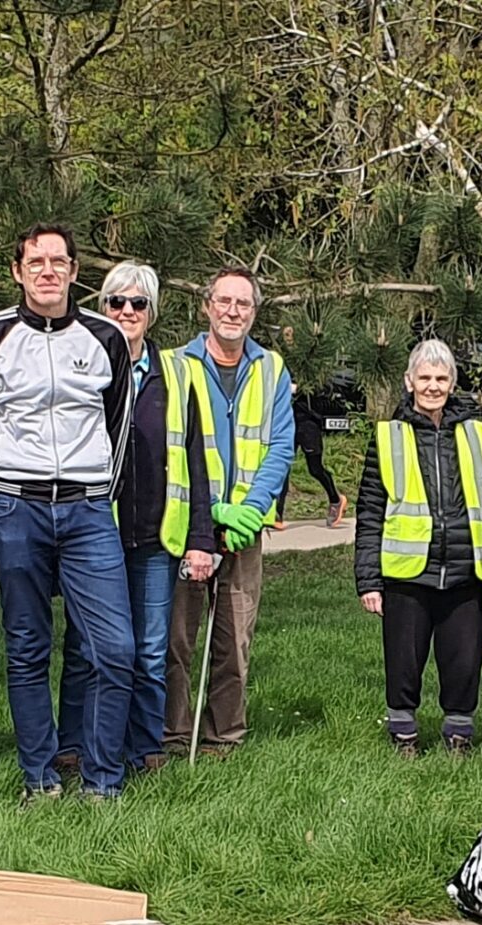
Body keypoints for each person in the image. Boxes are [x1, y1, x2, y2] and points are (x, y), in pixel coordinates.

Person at [0, 224, 135, 802]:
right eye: (36, 262)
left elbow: (120, 425)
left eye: (59, 261)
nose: (48, 271)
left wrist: (98, 486)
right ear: (18, 271)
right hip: (16, 508)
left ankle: (102, 778)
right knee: (27, 644)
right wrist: (0, 490)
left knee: (113, 648)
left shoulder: (105, 337)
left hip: (87, 511)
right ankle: (40, 775)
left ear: (75, 271)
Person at [55, 260, 218, 776]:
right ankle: (73, 744)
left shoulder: (177, 375)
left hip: (154, 535)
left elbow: (195, 458)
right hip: (90, 531)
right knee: (84, 646)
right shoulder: (79, 365)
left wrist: (201, 537)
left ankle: (144, 746)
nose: (126, 311)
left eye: (137, 303)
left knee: (150, 651)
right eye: (116, 302)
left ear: (152, 313)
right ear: (101, 307)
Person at [167, 266, 296, 760]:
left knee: (234, 642)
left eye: (243, 304)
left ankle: (224, 738)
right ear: (206, 306)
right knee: (176, 640)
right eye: (224, 301)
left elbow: (281, 446)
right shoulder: (177, 365)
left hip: (245, 527)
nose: (232, 311)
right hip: (187, 523)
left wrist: (250, 510)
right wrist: (209, 510)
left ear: (254, 312)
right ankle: (173, 736)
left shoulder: (271, 369)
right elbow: (170, 447)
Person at [354, 339, 482, 755]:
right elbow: (370, 509)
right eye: (425, 377)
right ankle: (403, 734)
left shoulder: (478, 433)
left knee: (464, 662)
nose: (433, 386)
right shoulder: (388, 435)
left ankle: (459, 737)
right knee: (404, 661)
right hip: (406, 571)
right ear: (409, 381)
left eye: (441, 377)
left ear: (452, 382)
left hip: (466, 569)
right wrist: (368, 580)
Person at [291, 386, 349, 527]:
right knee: (282, 467)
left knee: (315, 469)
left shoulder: (317, 373)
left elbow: (325, 389)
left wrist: (299, 389)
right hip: (288, 422)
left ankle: (336, 500)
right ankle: (277, 515)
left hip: (308, 424)